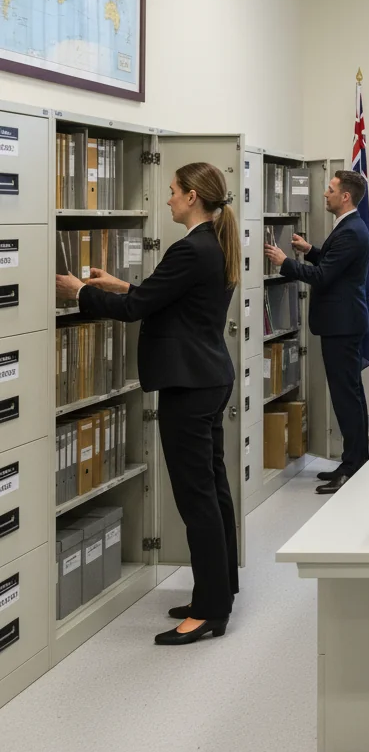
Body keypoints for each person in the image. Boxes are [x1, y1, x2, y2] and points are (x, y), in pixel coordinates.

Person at [55, 163, 240, 647]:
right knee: (214, 489)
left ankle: (209, 612)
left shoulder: (190, 248)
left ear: (195, 196)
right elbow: (163, 299)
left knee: (195, 497)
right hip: (207, 377)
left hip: (188, 385)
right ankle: (220, 590)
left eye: (174, 191)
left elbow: (139, 310)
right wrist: (116, 285)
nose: (168, 199)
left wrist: (82, 292)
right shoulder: (213, 244)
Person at [266, 170, 369, 496]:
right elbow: (333, 264)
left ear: (345, 197)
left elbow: (324, 277)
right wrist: (310, 250)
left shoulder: (352, 230)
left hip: (342, 326)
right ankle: (354, 461)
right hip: (342, 323)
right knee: (349, 395)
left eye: (330, 189)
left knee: (346, 397)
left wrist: (285, 262)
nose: (325, 194)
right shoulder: (348, 226)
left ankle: (354, 466)